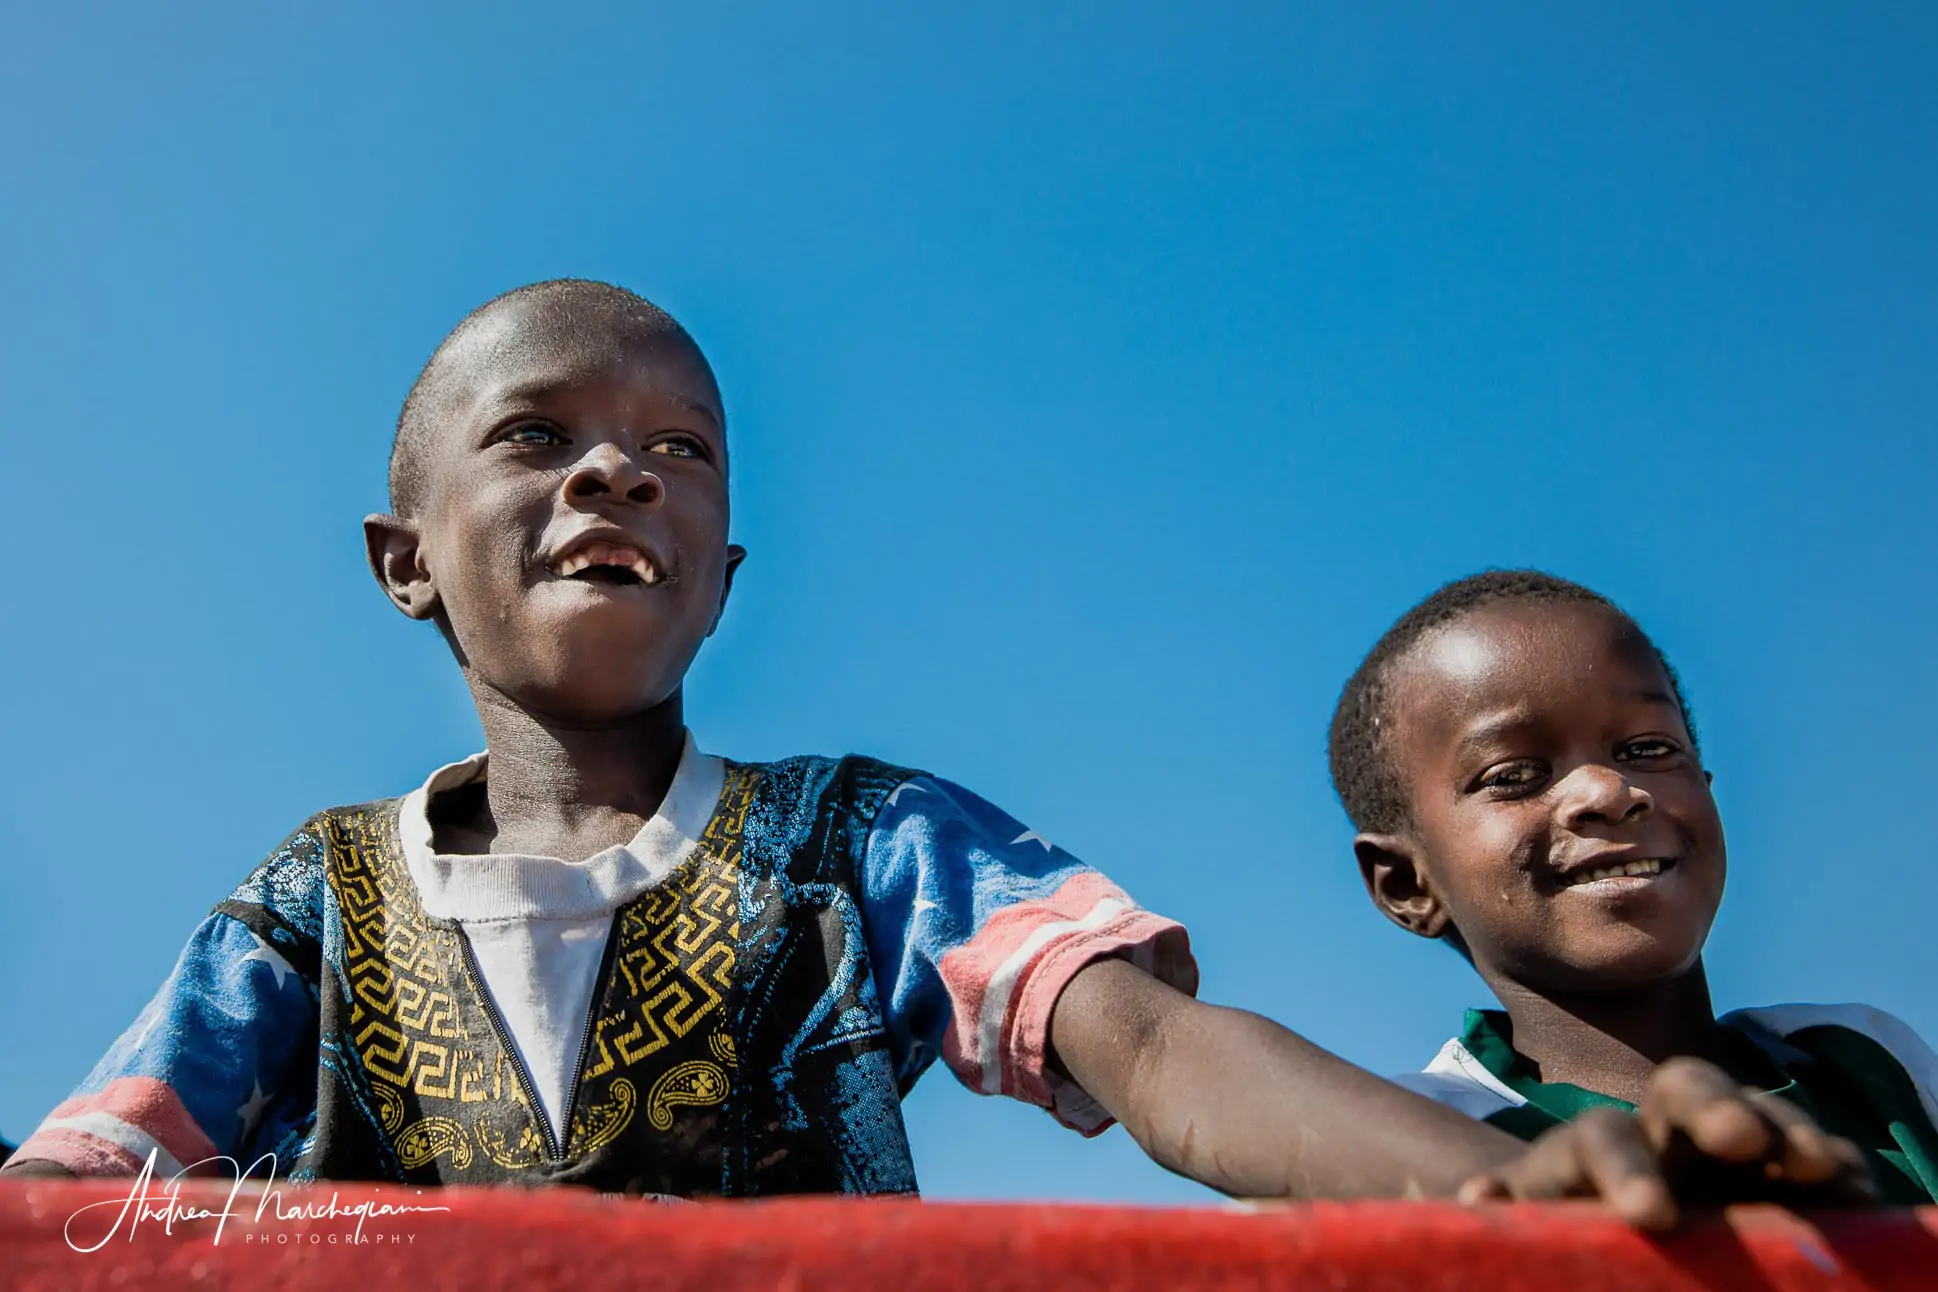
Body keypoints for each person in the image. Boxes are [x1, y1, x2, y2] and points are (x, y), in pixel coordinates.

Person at [0, 285, 1858, 1221]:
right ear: (406, 563)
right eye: (537, 435)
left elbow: (1152, 1047)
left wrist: (1477, 1187)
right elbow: (75, 1197)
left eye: (681, 448)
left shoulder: (862, 844)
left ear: (721, 573)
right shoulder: (306, 909)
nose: (613, 469)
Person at [1333, 568, 1935, 1211]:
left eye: (1648, 748)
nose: (1611, 793)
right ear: (1407, 885)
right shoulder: (1425, 1130)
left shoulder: (1864, 1058)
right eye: (1513, 774)